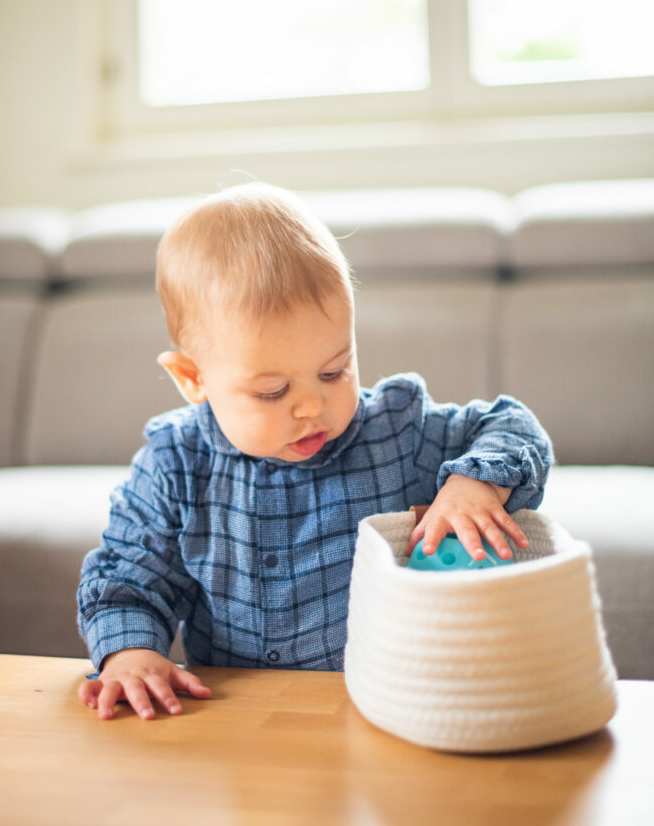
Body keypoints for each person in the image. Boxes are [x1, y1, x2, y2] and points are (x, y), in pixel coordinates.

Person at [77, 182, 554, 721]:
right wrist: (132, 653)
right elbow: (129, 578)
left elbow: (511, 423)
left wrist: (475, 482)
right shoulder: (176, 466)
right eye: (272, 392)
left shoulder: (397, 428)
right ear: (193, 378)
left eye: (334, 371)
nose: (312, 406)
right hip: (241, 730)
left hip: (393, 712)